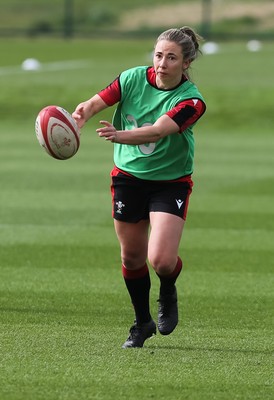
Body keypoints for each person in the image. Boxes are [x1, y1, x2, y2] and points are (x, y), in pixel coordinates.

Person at [72, 26, 206, 348]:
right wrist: (79, 117)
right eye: (159, 55)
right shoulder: (131, 78)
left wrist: (121, 136)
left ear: (186, 63)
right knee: (132, 258)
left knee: (160, 260)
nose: (162, 63)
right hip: (129, 179)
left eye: (171, 57)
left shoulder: (192, 101)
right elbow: (95, 102)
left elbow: (158, 131)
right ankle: (142, 323)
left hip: (169, 183)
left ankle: (168, 288)